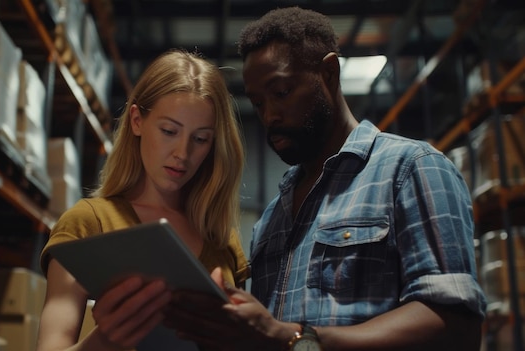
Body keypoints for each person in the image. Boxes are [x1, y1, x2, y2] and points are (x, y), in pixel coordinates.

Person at [165, 6, 486, 351]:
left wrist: (296, 338)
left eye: (282, 92)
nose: (270, 115)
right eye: (258, 103)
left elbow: (456, 325)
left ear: (329, 73)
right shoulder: (272, 219)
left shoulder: (412, 169)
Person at [36, 49, 250, 351]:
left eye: (200, 138)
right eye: (169, 131)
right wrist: (106, 340)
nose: (182, 153)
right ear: (137, 120)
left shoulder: (221, 238)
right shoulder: (89, 223)